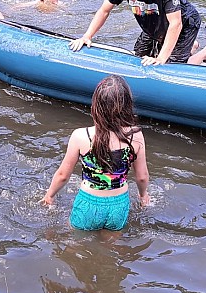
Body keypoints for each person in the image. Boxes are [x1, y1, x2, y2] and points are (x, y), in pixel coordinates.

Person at [41, 75, 149, 231]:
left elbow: (63, 175)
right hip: (119, 204)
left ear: (95, 106)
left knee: (75, 242)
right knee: (110, 244)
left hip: (88, 203)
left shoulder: (81, 136)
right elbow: (142, 176)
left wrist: (50, 195)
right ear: (127, 106)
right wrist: (143, 195)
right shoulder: (135, 136)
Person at [69, 0, 205, 66]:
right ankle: (190, 47)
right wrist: (87, 36)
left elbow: (175, 24)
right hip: (153, 21)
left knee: (170, 66)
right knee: (138, 57)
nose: (133, 1)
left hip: (184, 22)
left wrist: (161, 58)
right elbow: (104, 10)